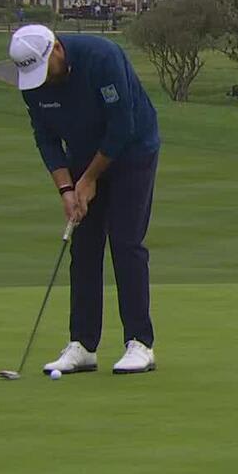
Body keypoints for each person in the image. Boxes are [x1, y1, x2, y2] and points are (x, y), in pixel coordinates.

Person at [9, 24, 160, 376]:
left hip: (133, 151)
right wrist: (67, 189)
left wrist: (89, 179)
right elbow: (45, 138)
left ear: (57, 49)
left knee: (125, 242)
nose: (41, 81)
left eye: (44, 70)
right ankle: (83, 344)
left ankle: (140, 342)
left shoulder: (102, 57)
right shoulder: (32, 83)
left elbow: (122, 125)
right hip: (82, 155)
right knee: (84, 248)